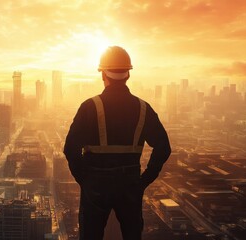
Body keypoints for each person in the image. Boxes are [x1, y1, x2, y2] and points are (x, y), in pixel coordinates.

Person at [63, 46, 171, 240]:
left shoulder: (89, 107)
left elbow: (70, 149)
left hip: (95, 185)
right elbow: (163, 147)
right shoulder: (143, 108)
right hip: (129, 184)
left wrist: (85, 180)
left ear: (103, 74)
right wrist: (143, 181)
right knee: (131, 235)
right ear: (128, 75)